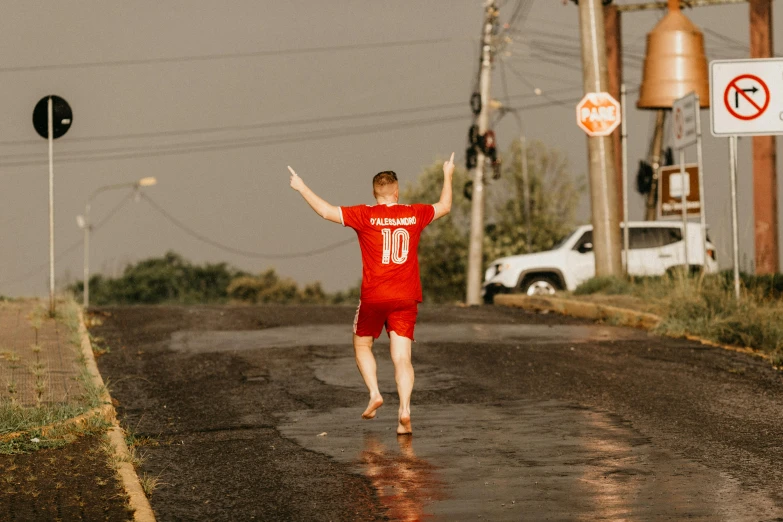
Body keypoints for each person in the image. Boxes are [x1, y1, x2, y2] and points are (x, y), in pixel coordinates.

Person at [288, 153, 454, 435]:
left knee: (362, 345)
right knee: (402, 358)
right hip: (406, 297)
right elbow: (445, 205)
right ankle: (405, 410)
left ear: (375, 193)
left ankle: (375, 392)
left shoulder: (365, 215)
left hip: (375, 297)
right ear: (397, 192)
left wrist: (301, 186)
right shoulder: (414, 213)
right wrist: (447, 173)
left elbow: (327, 211)